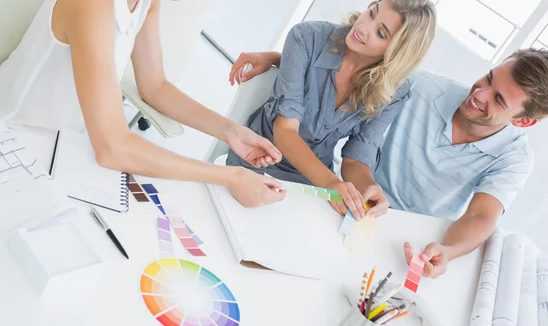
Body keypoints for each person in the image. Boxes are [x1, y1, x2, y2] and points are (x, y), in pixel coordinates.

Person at [0, 0, 285, 208]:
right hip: (5, 141)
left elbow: (155, 86)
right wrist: (227, 176)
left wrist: (231, 132)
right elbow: (112, 148)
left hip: (67, 147)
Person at [230, 47, 548, 278]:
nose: (480, 94)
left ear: (523, 122)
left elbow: (481, 216)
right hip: (352, 202)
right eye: (488, 79)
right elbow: (350, 73)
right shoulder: (423, 88)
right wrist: (277, 59)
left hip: (410, 242)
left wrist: (448, 251)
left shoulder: (515, 157)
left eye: (499, 99)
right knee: (275, 266)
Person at [227, 0, 437, 220]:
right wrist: (331, 183)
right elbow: (285, 131)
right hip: (257, 164)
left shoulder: (395, 90)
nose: (363, 26)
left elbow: (357, 158)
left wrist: (368, 188)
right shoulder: (307, 37)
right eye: (372, 12)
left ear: (396, 52)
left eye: (380, 32)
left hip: (314, 185)